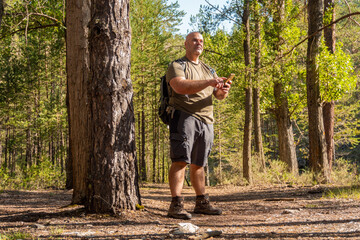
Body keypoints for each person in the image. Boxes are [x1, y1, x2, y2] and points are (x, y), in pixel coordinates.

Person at [166, 32, 232, 219]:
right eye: (195, 40)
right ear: (186, 44)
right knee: (180, 160)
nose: (199, 43)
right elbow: (179, 86)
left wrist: (223, 90)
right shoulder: (178, 65)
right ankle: (176, 205)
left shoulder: (208, 69)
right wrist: (210, 82)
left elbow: (218, 96)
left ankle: (201, 202)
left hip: (207, 120)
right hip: (184, 116)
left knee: (199, 163)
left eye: (201, 41)